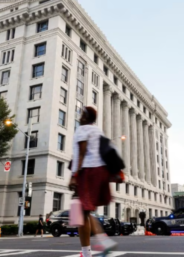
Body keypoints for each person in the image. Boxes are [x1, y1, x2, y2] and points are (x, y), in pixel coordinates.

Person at [69, 107, 117, 257]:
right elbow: (106, 151)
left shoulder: (82, 130)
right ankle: (96, 247)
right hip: (100, 172)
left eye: (81, 114)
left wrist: (74, 175)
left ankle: (93, 249)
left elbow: (81, 153)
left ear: (85, 117)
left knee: (81, 214)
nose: (79, 116)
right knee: (85, 212)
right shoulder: (98, 131)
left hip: (88, 172)